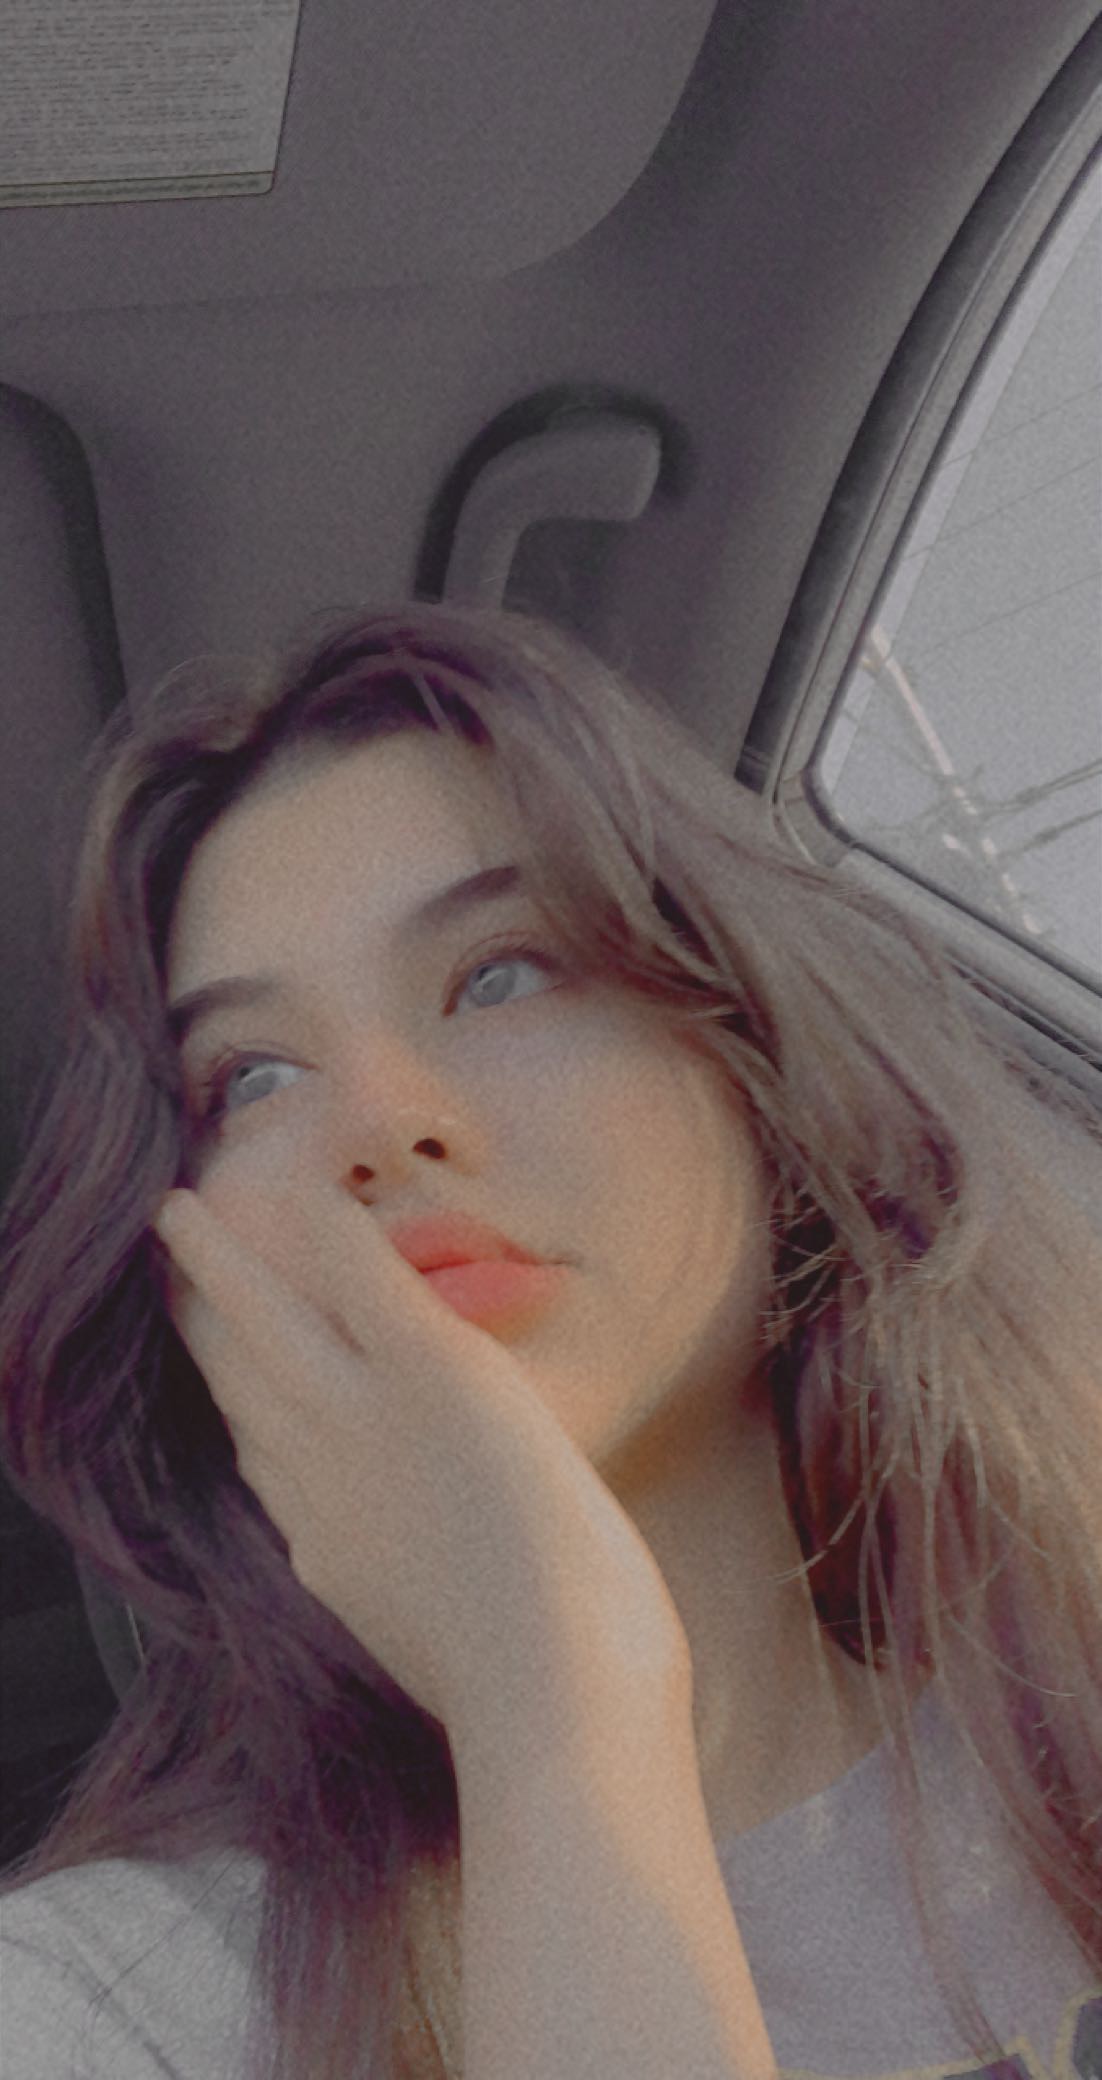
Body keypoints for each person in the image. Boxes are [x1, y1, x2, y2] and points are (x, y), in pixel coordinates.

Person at [0, 599, 1099, 2080]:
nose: (383, 1122)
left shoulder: (1068, 1719)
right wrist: (550, 1705)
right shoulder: (107, 2011)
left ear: (756, 1059)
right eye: (250, 1078)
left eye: (500, 974)